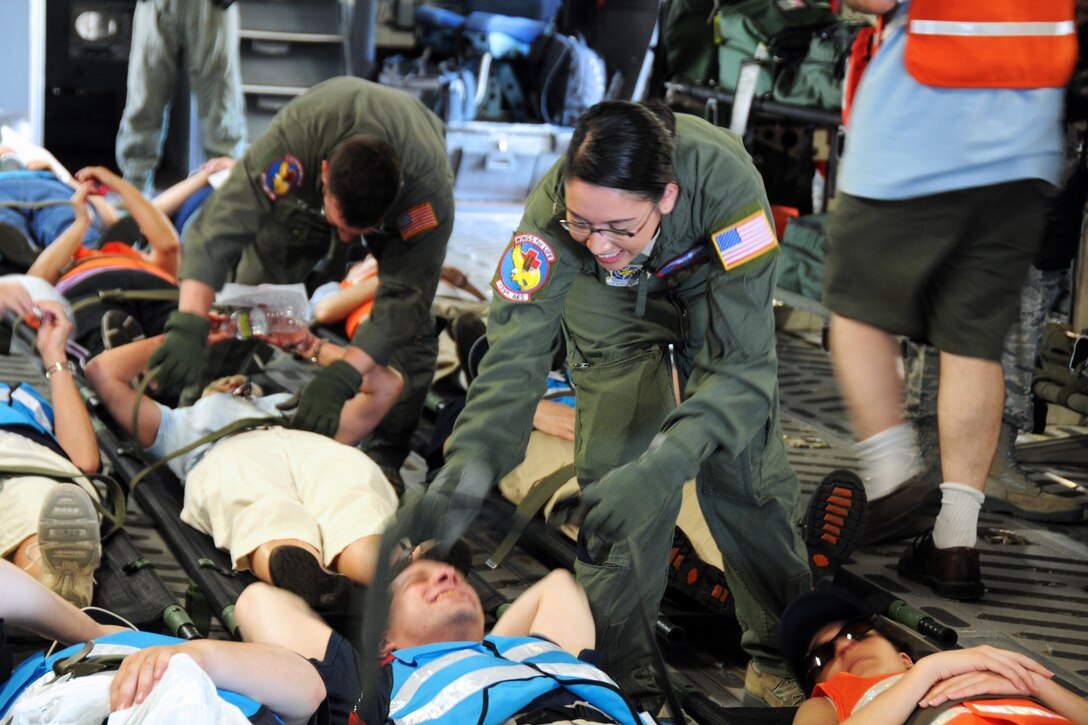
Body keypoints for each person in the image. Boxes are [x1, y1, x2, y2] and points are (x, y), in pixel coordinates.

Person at [425, 99, 812, 707]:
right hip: (610, 308)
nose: (600, 243)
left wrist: (664, 467)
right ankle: (623, 679)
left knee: (743, 469)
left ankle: (780, 650)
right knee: (614, 469)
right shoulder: (553, 215)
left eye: (618, 227)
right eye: (583, 224)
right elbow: (515, 347)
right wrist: (469, 462)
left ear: (666, 196)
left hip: (709, 278)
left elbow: (739, 369)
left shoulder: (730, 192)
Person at [822, 0, 1075, 598]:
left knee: (855, 309)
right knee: (973, 342)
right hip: (1025, 141)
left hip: (920, 130)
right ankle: (953, 545)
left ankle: (893, 483)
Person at [150, 77, 455, 483]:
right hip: (307, 194)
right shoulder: (297, 143)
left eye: (359, 231)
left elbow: (406, 296)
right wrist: (189, 320)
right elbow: (220, 227)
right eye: (341, 226)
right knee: (258, 293)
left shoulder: (427, 195)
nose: (347, 241)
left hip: (407, 173)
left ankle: (386, 455)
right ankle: (195, 399)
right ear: (324, 174)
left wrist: (345, 375)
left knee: (413, 330)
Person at [85, 332, 403, 611]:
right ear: (202, 395)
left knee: (352, 490)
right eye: (219, 384)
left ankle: (397, 571)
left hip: (309, 445)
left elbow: (387, 385)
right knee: (262, 506)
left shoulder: (296, 408)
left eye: (245, 382)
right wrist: (196, 334)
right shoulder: (178, 424)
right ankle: (310, 579)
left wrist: (309, 344)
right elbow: (102, 372)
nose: (234, 381)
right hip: (226, 452)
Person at [236, 558, 655, 724]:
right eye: (419, 582)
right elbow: (258, 602)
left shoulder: (534, 658)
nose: (447, 574)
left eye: (455, 577)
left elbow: (559, 585)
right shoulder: (374, 689)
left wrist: (480, 652)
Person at [0, 559, 325, 725]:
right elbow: (309, 690)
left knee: (259, 602)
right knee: (259, 603)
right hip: (88, 664)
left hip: (71, 664)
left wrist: (91, 630)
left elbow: (310, 689)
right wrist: (199, 657)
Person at [779, 587, 1088, 725]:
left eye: (856, 631)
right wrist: (927, 671)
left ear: (904, 658)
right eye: (821, 657)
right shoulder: (827, 702)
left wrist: (1031, 681)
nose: (844, 647)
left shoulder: (979, 673)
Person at [0, 283, 102, 607]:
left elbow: (83, 460)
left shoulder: (20, 399)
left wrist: (54, 353)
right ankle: (55, 607)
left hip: (25, 466)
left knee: (45, 502)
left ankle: (56, 585)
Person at [115, 0, 246, 195]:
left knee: (221, 103)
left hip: (210, 6)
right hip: (157, 5)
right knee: (144, 98)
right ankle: (135, 191)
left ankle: (226, 193)